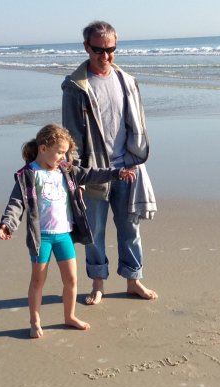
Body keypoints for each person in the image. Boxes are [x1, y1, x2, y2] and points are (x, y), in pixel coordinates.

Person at [0, 124, 136, 338]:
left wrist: (117, 173)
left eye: (65, 153)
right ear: (43, 149)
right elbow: (16, 204)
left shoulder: (66, 170)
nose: (63, 157)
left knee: (71, 280)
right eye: (60, 152)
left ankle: (69, 316)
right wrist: (7, 224)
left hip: (63, 235)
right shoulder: (28, 175)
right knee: (38, 281)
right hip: (41, 238)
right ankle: (35, 322)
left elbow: (91, 174)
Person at [61, 20, 158, 305]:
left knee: (131, 228)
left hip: (127, 168)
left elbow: (136, 123)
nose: (105, 55)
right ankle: (98, 283)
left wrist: (136, 158)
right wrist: (76, 178)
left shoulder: (126, 81)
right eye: (98, 50)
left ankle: (133, 280)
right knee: (94, 231)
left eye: (111, 49)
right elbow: (71, 136)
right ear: (86, 47)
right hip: (95, 172)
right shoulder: (75, 87)